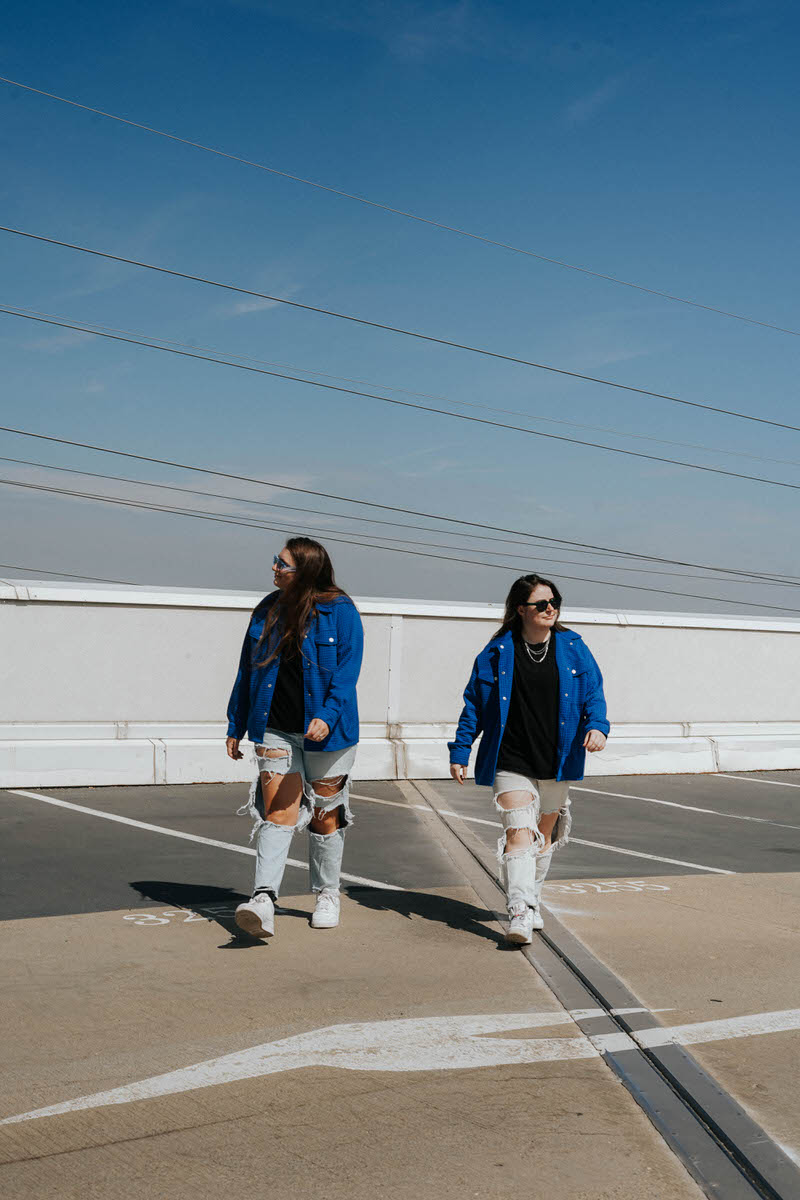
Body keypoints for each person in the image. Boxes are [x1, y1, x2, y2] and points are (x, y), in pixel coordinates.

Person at [448, 574, 609, 945]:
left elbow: (593, 694)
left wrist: (598, 726)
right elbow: (474, 704)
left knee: (544, 834)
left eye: (554, 602)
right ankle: (519, 909)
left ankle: (532, 898)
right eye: (541, 604)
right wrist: (461, 749)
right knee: (518, 832)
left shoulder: (573, 647)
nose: (550, 608)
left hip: (558, 755)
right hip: (511, 756)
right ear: (521, 609)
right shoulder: (495, 653)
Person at [226, 537, 364, 937]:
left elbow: (346, 672)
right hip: (274, 727)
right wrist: (236, 723)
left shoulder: (340, 612)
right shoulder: (268, 609)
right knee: (279, 814)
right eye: (275, 561)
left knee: (324, 817)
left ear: (305, 570)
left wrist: (326, 714)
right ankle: (264, 899)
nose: (274, 568)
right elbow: (247, 670)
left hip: (329, 734)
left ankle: (327, 893)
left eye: (282, 564)